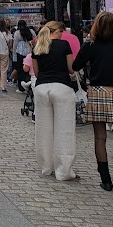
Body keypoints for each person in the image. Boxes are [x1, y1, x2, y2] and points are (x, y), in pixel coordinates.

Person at [73, 11, 113, 193]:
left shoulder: (90, 45)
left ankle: (105, 180)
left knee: (100, 137)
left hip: (98, 92)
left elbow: (76, 66)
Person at [31, 21, 79, 182]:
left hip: (42, 88)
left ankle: (46, 167)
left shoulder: (38, 47)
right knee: (64, 130)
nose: (62, 34)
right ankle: (64, 170)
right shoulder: (64, 45)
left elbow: (36, 73)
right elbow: (71, 68)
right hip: (62, 87)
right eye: (61, 32)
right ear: (57, 31)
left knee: (43, 129)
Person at [12, 20, 35, 92]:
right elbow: (35, 40)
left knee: (20, 70)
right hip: (30, 52)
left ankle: (21, 88)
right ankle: (30, 86)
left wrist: (14, 57)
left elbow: (15, 45)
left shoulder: (17, 33)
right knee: (30, 70)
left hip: (20, 53)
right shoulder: (31, 31)